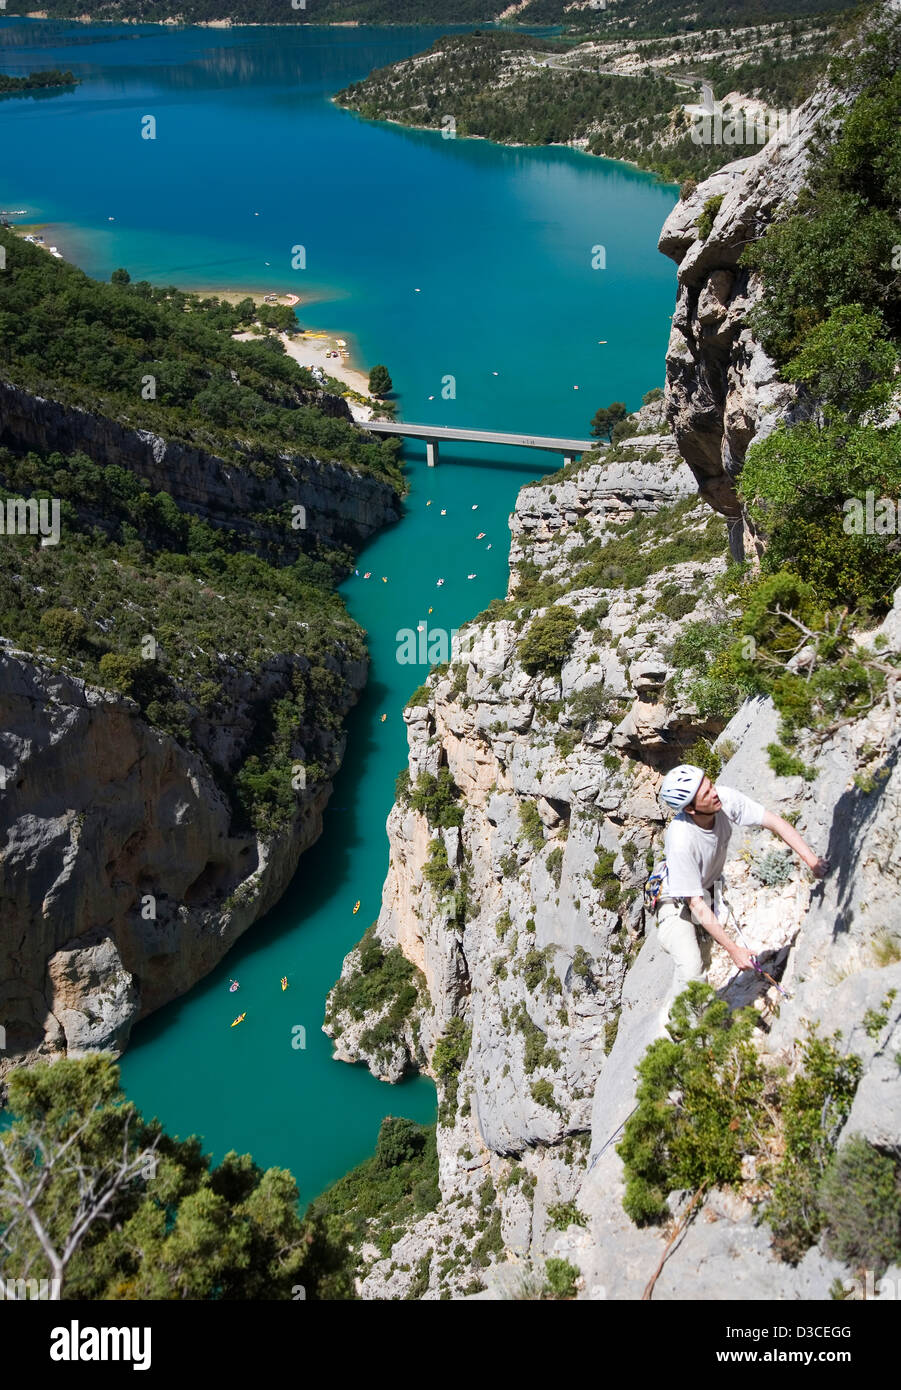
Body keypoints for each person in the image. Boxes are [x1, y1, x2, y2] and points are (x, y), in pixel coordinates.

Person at [654, 764, 830, 1003]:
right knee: (692, 966)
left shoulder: (724, 799)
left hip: (706, 889)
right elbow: (694, 902)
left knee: (703, 962)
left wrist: (812, 862)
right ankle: (683, 1031)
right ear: (691, 809)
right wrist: (733, 950)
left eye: (710, 785)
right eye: (705, 794)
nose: (714, 793)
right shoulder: (681, 839)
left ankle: (678, 1012)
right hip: (674, 902)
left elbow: (774, 822)